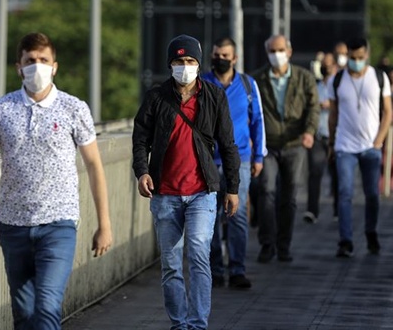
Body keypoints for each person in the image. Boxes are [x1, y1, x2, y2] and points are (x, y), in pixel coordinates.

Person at [0, 32, 113, 330]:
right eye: (30, 61)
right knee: (24, 313)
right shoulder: (1, 109)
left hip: (58, 224)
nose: (37, 66)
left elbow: (95, 165)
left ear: (54, 66)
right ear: (18, 67)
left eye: (43, 60)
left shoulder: (74, 108)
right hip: (13, 224)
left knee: (47, 307)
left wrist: (104, 225)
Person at [132, 34, 240, 330]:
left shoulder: (214, 97)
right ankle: (179, 323)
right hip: (164, 193)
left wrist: (232, 188)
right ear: (171, 64)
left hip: (202, 192)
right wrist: (142, 171)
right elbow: (140, 138)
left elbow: (228, 145)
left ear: (198, 63)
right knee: (170, 265)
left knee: (197, 252)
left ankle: (198, 323)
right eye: (179, 61)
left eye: (190, 61)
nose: (185, 66)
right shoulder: (156, 98)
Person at [202, 37, 266, 290]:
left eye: (225, 55)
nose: (220, 58)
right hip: (207, 159)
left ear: (235, 58)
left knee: (237, 215)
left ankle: (237, 269)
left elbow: (257, 120)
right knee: (210, 217)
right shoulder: (202, 83)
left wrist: (259, 156)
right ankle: (216, 270)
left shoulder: (248, 85)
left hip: (239, 159)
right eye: (217, 54)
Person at [251, 35, 319, 263]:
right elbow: (250, 110)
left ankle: (284, 245)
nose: (276, 54)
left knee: (289, 196)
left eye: (280, 50)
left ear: (289, 51)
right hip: (267, 145)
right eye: (272, 50)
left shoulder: (304, 78)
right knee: (266, 191)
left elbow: (313, 108)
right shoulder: (257, 79)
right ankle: (267, 243)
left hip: (294, 144)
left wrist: (309, 131)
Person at [328, 37, 392, 257]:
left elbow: (388, 112)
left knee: (372, 194)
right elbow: (334, 114)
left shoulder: (378, 77)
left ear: (368, 55)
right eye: (352, 58)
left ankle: (371, 231)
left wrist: (378, 141)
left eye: (360, 58)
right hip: (345, 146)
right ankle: (345, 240)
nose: (356, 62)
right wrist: (331, 142)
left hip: (370, 147)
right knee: (345, 193)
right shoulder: (338, 79)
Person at [303, 53, 338, 224]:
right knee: (315, 173)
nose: (326, 68)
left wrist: (330, 105)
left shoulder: (338, 85)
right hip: (318, 135)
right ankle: (312, 210)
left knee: (337, 175)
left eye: (329, 65)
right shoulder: (316, 86)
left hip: (336, 137)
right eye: (323, 65)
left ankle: (338, 210)